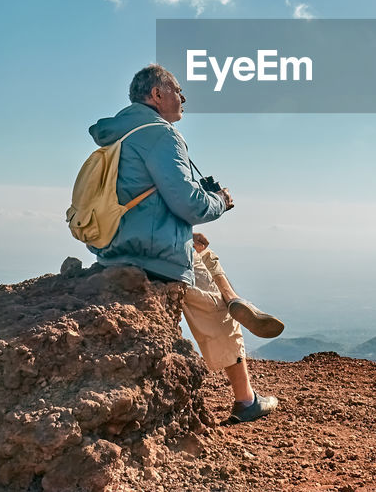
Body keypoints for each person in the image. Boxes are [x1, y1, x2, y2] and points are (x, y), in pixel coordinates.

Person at [87, 63, 284, 424]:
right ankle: (246, 398)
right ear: (157, 94)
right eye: (178, 90)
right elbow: (188, 202)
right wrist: (220, 202)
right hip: (154, 256)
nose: (184, 98)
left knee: (202, 249)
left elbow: (138, 194)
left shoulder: (117, 133)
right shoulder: (160, 134)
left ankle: (233, 296)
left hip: (115, 246)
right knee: (216, 309)